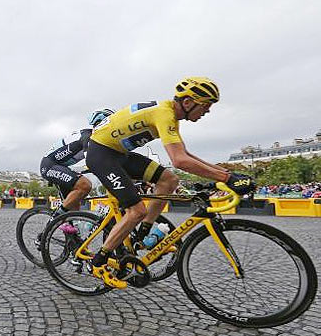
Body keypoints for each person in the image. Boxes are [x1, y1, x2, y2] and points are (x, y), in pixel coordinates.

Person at [86, 77, 255, 288]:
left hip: (119, 154)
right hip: (101, 154)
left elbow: (184, 154)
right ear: (187, 102)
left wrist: (227, 173)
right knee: (136, 211)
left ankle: (142, 232)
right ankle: (98, 262)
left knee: (169, 179)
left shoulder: (170, 116)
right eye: (205, 106)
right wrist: (227, 179)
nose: (207, 112)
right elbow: (179, 160)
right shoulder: (165, 114)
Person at [40, 109, 114, 232]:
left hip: (62, 167)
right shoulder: (88, 136)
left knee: (75, 216)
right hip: (49, 165)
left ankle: (73, 243)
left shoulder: (98, 140)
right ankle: (54, 221)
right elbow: (92, 160)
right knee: (84, 185)